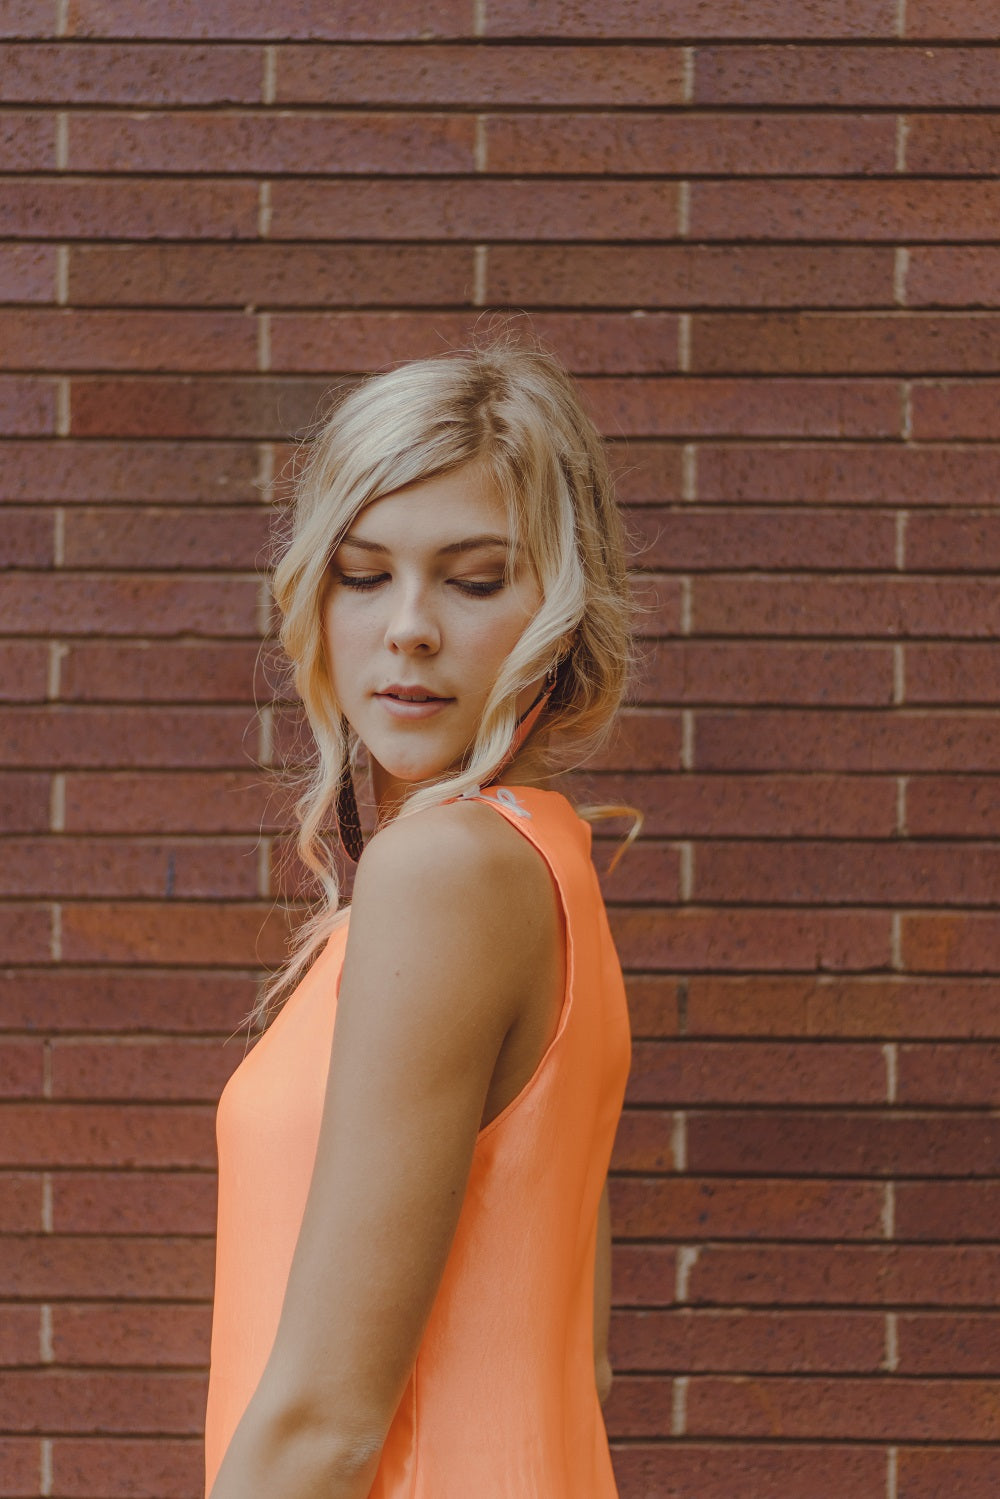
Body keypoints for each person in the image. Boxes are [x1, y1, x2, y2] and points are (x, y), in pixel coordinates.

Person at [203, 341, 636, 1499]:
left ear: (560, 597)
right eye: (360, 571)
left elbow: (324, 1423)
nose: (407, 627)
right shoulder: (542, 856)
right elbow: (575, 1348)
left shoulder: (443, 871)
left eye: (475, 577)